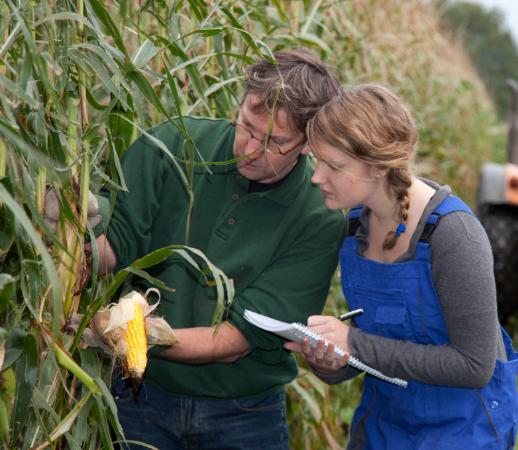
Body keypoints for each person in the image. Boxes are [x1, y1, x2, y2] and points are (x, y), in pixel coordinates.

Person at [47, 50, 346, 449]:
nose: (250, 149)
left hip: (243, 414)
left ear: (309, 144)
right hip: (140, 397)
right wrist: (62, 225)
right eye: (246, 126)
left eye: (274, 143)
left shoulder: (318, 217)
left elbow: (232, 342)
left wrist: (138, 335)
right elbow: (113, 249)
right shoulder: (173, 145)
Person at [284, 84, 518, 449]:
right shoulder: (353, 230)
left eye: (334, 165)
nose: (317, 177)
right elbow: (379, 346)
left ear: (378, 166)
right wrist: (332, 361)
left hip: (462, 431)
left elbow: (475, 366)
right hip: (383, 428)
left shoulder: (453, 235)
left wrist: (356, 345)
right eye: (317, 161)